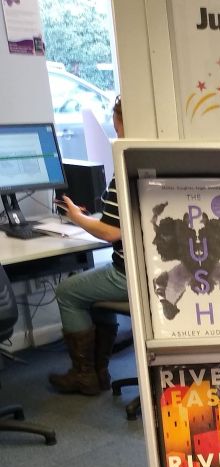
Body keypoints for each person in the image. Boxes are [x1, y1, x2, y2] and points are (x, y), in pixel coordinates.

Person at [48, 95, 128, 396]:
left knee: (66, 291)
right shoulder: (149, 160)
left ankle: (86, 375)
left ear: (120, 122)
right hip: (149, 271)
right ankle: (100, 371)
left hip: (128, 276)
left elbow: (110, 233)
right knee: (88, 286)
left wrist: (77, 217)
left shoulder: (125, 169)